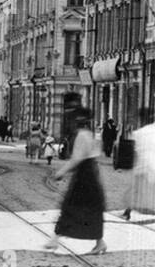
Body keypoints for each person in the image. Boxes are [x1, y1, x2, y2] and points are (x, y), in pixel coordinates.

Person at [43, 108, 107, 256]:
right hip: (91, 173)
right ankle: (99, 242)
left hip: (84, 175)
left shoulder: (81, 135)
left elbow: (77, 158)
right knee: (91, 209)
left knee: (70, 206)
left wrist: (61, 172)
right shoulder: (90, 134)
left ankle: (55, 239)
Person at [121, 108, 155, 221]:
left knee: (135, 189)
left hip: (142, 164)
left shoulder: (138, 133)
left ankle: (128, 211)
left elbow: (134, 151)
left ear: (141, 119)